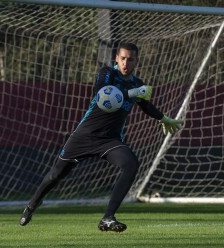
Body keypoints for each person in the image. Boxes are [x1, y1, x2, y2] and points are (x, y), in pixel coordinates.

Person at [19, 42, 182, 232]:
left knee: (131, 164)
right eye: (122, 58)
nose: (125, 63)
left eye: (130, 60)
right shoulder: (107, 74)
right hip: (84, 136)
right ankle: (31, 206)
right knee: (56, 175)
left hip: (110, 140)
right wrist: (134, 93)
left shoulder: (137, 83)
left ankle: (108, 218)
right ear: (116, 59)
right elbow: (103, 93)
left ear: (136, 61)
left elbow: (145, 105)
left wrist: (163, 118)